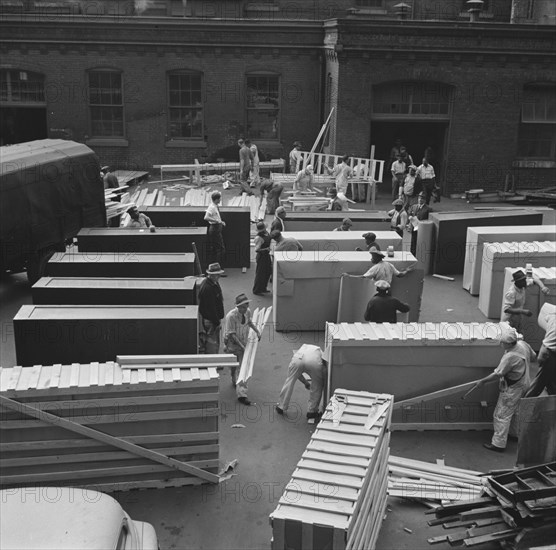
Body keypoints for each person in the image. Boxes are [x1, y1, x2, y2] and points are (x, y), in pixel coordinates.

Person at [468, 326, 536, 452]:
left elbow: (498, 374)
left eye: (502, 342)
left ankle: (498, 444)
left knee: (501, 414)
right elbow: (534, 356)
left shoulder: (510, 357)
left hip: (514, 388)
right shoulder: (523, 344)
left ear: (509, 343)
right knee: (515, 411)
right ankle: (514, 434)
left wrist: (482, 381)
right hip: (526, 382)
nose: (500, 344)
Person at [223, 293, 261, 406]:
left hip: (242, 341)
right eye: (243, 307)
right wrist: (242, 346)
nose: (246, 308)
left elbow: (248, 322)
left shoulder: (247, 311)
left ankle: (242, 394)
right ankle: (233, 378)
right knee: (234, 365)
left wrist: (257, 331)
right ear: (238, 307)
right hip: (232, 343)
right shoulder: (231, 316)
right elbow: (232, 335)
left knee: (242, 368)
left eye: (247, 305)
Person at [275, 344, 327, 420]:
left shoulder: (303, 348)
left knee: (290, 380)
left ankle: (281, 406)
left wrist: (305, 382)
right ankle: (312, 412)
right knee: (317, 385)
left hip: (298, 358)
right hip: (314, 360)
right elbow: (324, 369)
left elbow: (297, 374)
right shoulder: (321, 352)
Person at [525, 307, 556, 397]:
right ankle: (525, 405)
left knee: (552, 382)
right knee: (539, 384)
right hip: (550, 354)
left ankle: (552, 404)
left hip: (545, 350)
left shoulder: (552, 315)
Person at [198, 262, 225, 355]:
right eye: (218, 274)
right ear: (212, 275)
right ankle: (212, 364)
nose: (219, 276)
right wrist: (217, 322)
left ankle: (214, 361)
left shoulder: (212, 284)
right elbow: (211, 308)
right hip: (211, 321)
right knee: (212, 343)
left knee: (214, 341)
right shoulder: (208, 288)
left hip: (212, 319)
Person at [343, 249, 413, 284]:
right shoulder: (389, 264)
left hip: (377, 291)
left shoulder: (375, 268)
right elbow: (400, 275)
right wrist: (406, 270)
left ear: (376, 259)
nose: (371, 259)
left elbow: (363, 277)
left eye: (372, 258)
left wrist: (349, 276)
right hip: (388, 290)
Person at [204, 191, 226, 271]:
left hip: (217, 228)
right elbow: (206, 217)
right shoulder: (212, 207)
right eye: (219, 198)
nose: (220, 200)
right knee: (220, 249)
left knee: (217, 248)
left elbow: (216, 216)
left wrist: (220, 221)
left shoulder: (215, 206)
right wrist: (216, 221)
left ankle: (215, 267)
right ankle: (218, 268)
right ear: (216, 199)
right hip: (215, 229)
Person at [406, 192, 431, 256]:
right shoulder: (413, 206)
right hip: (414, 228)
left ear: (425, 200)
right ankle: (412, 255)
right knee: (413, 243)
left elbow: (429, 220)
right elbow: (409, 213)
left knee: (420, 243)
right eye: (419, 198)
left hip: (422, 229)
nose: (420, 200)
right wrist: (409, 218)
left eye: (422, 198)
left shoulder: (428, 209)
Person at [252, 221, 272, 296]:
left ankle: (263, 288)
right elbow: (257, 250)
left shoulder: (265, 233)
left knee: (267, 272)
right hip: (262, 257)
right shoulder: (259, 238)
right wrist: (265, 249)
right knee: (260, 274)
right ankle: (257, 290)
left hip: (266, 255)